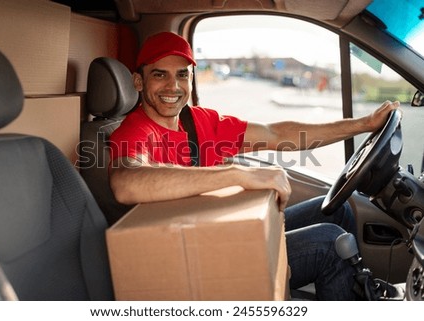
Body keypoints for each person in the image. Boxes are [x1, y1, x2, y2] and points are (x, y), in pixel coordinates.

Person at [108, 32, 400, 300]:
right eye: (160, 75)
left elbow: (277, 134)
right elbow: (126, 182)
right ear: (138, 81)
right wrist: (237, 174)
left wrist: (362, 124)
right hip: (191, 257)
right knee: (329, 243)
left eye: (182, 75)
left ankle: (355, 289)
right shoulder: (134, 132)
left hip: (220, 233)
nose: (173, 86)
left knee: (339, 209)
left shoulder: (199, 121)